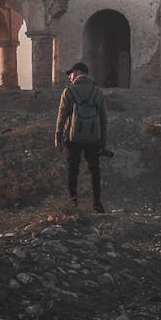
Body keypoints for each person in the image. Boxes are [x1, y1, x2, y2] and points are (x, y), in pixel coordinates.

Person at [54, 62, 107, 213]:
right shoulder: (97, 91)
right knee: (94, 171)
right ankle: (97, 204)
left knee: (73, 170)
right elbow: (104, 119)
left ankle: (72, 203)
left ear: (77, 72)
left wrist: (58, 135)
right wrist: (103, 141)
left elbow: (62, 116)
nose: (69, 77)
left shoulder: (69, 91)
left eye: (70, 74)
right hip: (93, 138)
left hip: (73, 138)